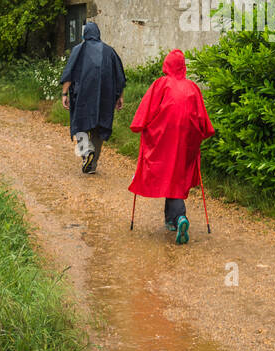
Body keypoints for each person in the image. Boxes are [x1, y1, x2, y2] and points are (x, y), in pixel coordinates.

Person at [128, 49, 215, 245]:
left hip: (162, 139)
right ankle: (172, 220)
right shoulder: (193, 88)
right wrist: (202, 133)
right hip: (187, 140)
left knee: (168, 173)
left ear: (166, 65)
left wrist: (140, 126)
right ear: (183, 67)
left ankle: (179, 217)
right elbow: (203, 120)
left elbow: (146, 110)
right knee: (176, 175)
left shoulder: (161, 84)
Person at [59, 22, 126, 174]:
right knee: (98, 128)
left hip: (82, 96)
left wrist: (64, 94)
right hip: (105, 97)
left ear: (85, 34)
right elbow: (120, 77)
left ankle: (86, 151)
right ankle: (92, 164)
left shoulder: (78, 50)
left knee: (79, 125)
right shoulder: (110, 52)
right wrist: (120, 96)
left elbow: (69, 74)